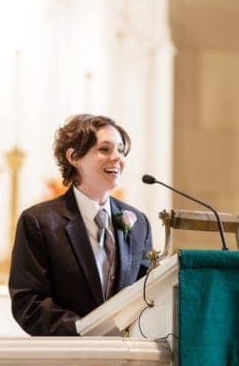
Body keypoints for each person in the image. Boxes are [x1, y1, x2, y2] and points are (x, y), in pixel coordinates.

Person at [9, 113, 153, 335]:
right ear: (74, 156)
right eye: (105, 149)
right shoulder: (38, 222)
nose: (117, 158)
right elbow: (28, 302)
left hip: (127, 356)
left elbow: (147, 292)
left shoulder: (138, 222)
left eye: (121, 150)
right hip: (68, 357)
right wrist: (84, 330)